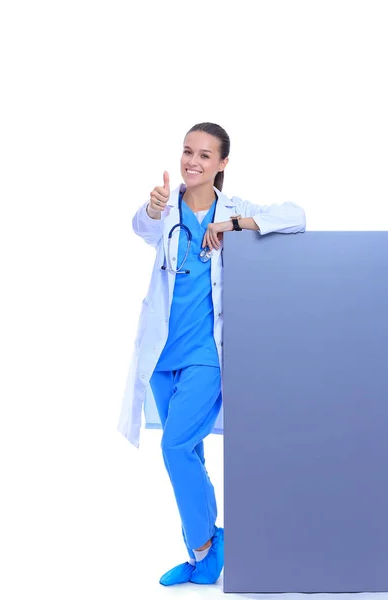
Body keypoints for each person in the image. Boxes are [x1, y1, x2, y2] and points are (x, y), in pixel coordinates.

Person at [118, 122, 306, 586]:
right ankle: (201, 555)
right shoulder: (167, 210)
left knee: (175, 445)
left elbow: (297, 215)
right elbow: (140, 226)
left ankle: (207, 543)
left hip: (206, 353)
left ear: (222, 164)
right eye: (187, 152)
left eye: (205, 155)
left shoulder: (234, 209)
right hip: (162, 355)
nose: (192, 162)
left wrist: (233, 224)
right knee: (191, 453)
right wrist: (152, 205)